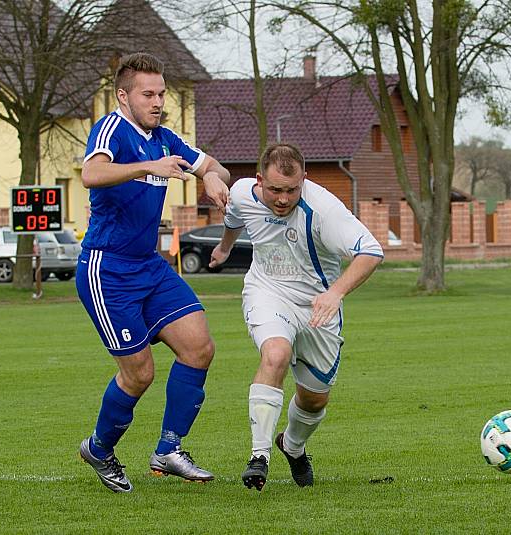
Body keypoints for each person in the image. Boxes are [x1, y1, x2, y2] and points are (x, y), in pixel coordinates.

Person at [76, 52, 230, 493]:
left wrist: (210, 178)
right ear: (123, 96)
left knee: (199, 347)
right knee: (139, 373)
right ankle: (99, 448)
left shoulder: (165, 138)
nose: (158, 101)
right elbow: (90, 173)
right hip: (108, 270)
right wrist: (148, 166)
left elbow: (212, 165)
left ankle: (169, 449)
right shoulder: (113, 129)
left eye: (161, 93)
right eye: (148, 94)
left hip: (149, 266)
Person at [209, 143, 383, 490]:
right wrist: (225, 247)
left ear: (305, 179)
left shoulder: (324, 210)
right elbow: (233, 217)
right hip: (267, 292)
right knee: (275, 353)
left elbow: (371, 251)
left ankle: (292, 445)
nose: (283, 198)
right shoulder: (244, 192)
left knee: (314, 397)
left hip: (318, 307)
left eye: (291, 190)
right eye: (275, 190)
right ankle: (259, 456)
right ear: (260, 180)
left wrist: (335, 293)